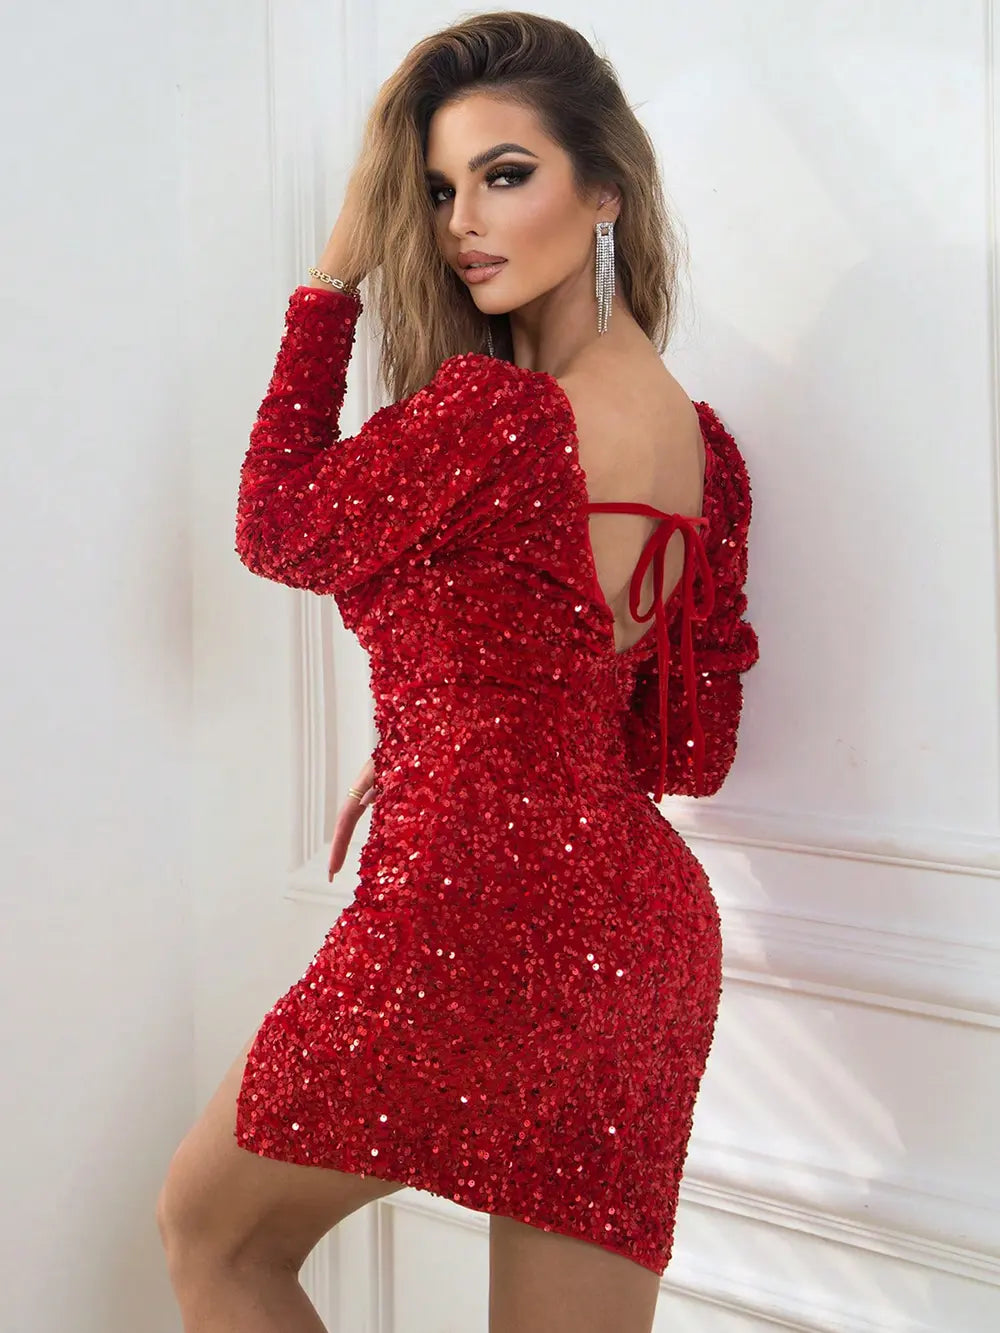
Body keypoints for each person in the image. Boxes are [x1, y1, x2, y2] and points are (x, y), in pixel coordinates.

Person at [156, 12, 760, 1332]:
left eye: (505, 174)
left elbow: (274, 521)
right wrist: (457, 712)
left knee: (211, 1233)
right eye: (435, 192)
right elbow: (681, 748)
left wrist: (331, 279)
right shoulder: (706, 451)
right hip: (647, 935)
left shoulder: (497, 418)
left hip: (476, 899)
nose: (460, 224)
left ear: (605, 189)